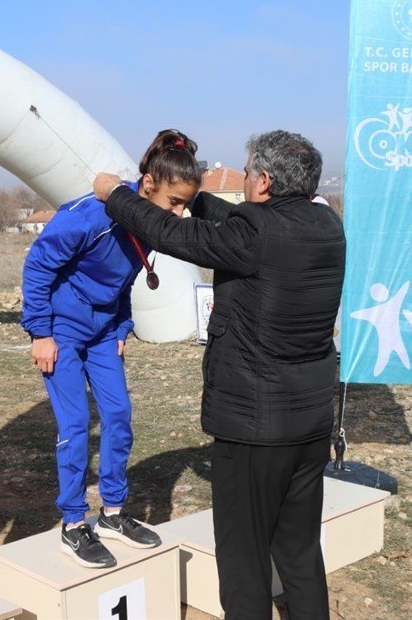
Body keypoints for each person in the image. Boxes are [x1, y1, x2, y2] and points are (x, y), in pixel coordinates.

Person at [93, 130, 345, 620]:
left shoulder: (256, 233)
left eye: (248, 172)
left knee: (244, 558)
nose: (244, 180)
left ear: (264, 181)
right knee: (298, 550)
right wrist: (193, 197)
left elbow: (173, 235)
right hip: (309, 422)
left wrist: (116, 195)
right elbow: (236, 222)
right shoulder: (325, 223)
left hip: (255, 427)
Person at [21, 130, 201, 568]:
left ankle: (113, 514)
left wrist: (122, 325)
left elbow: (125, 279)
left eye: (185, 204)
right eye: (175, 202)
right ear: (148, 184)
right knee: (76, 424)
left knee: (119, 415)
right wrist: (40, 333)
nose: (179, 213)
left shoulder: (146, 224)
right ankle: (72, 523)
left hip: (104, 333)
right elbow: (38, 266)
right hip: (61, 331)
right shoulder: (88, 216)